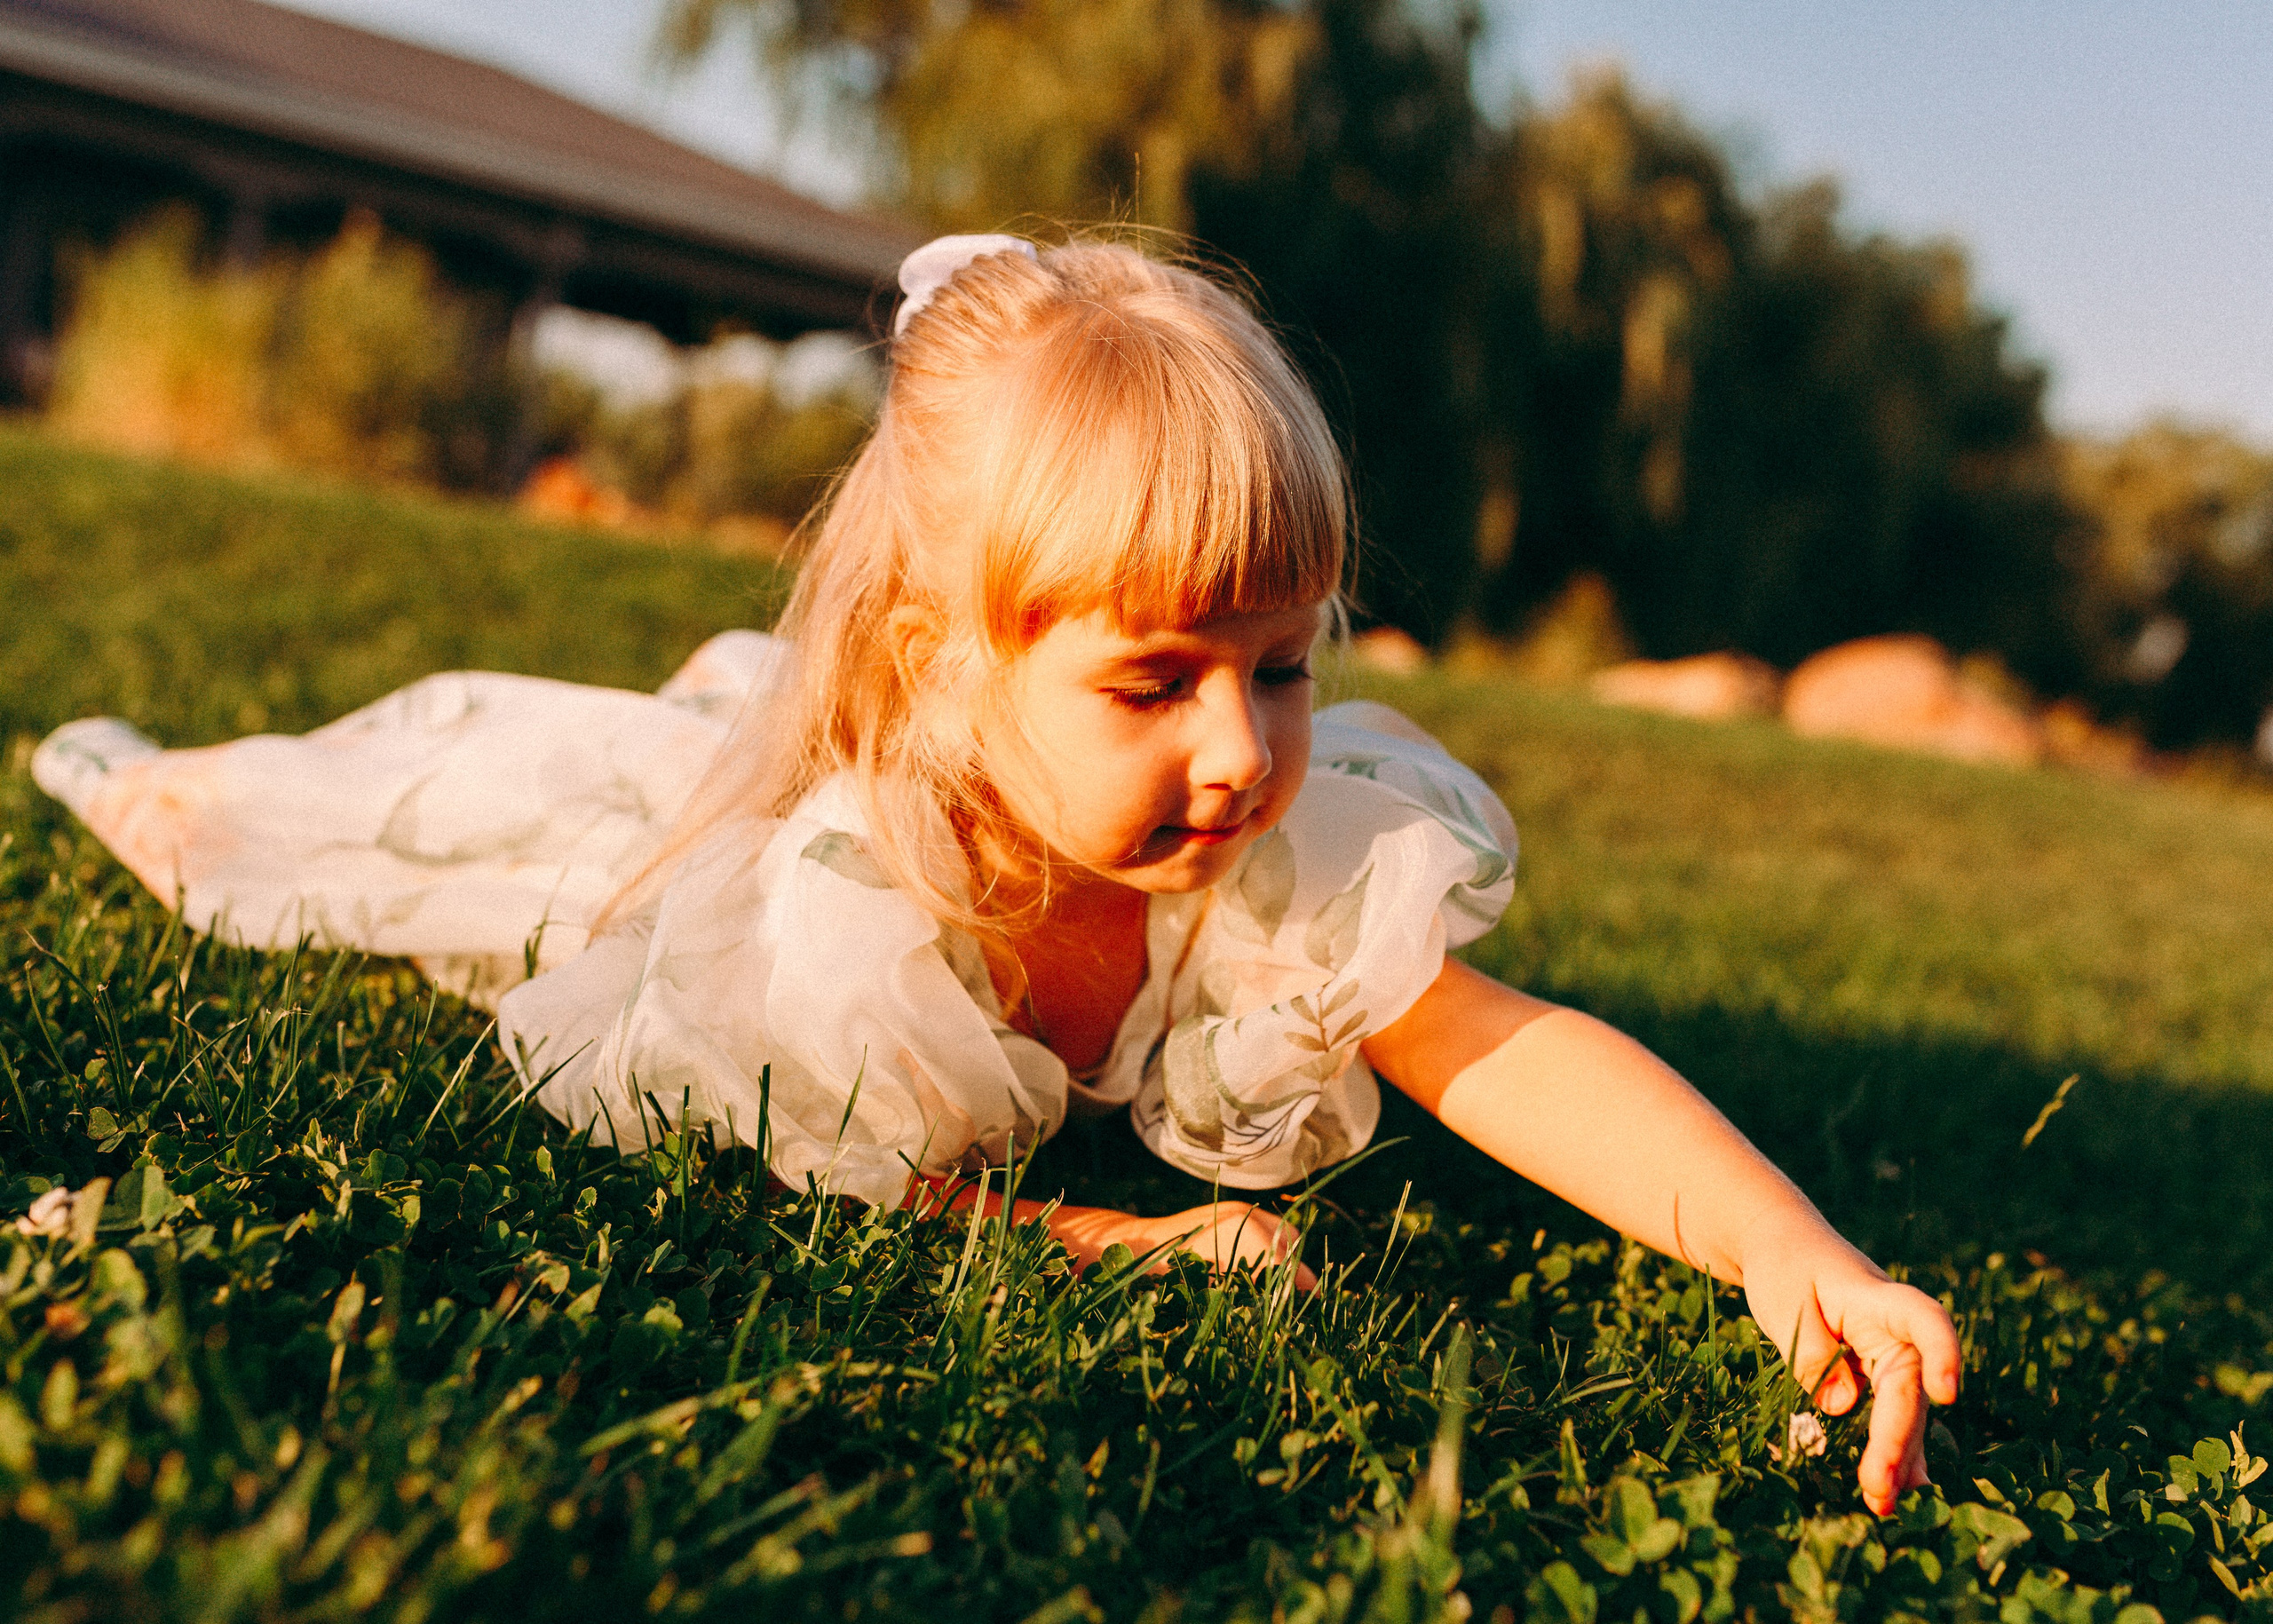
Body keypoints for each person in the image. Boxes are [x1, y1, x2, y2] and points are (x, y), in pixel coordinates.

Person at [34, 232, 1959, 1516]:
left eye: (1280, 667)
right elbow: (833, 1168)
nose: (1238, 750)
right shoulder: (855, 901)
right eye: (1152, 681)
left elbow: (1497, 1043)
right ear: (943, 666)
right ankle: (178, 783)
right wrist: (1107, 1240)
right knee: (415, 838)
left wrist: (1786, 1248)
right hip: (677, 861)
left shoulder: (1263, 847)